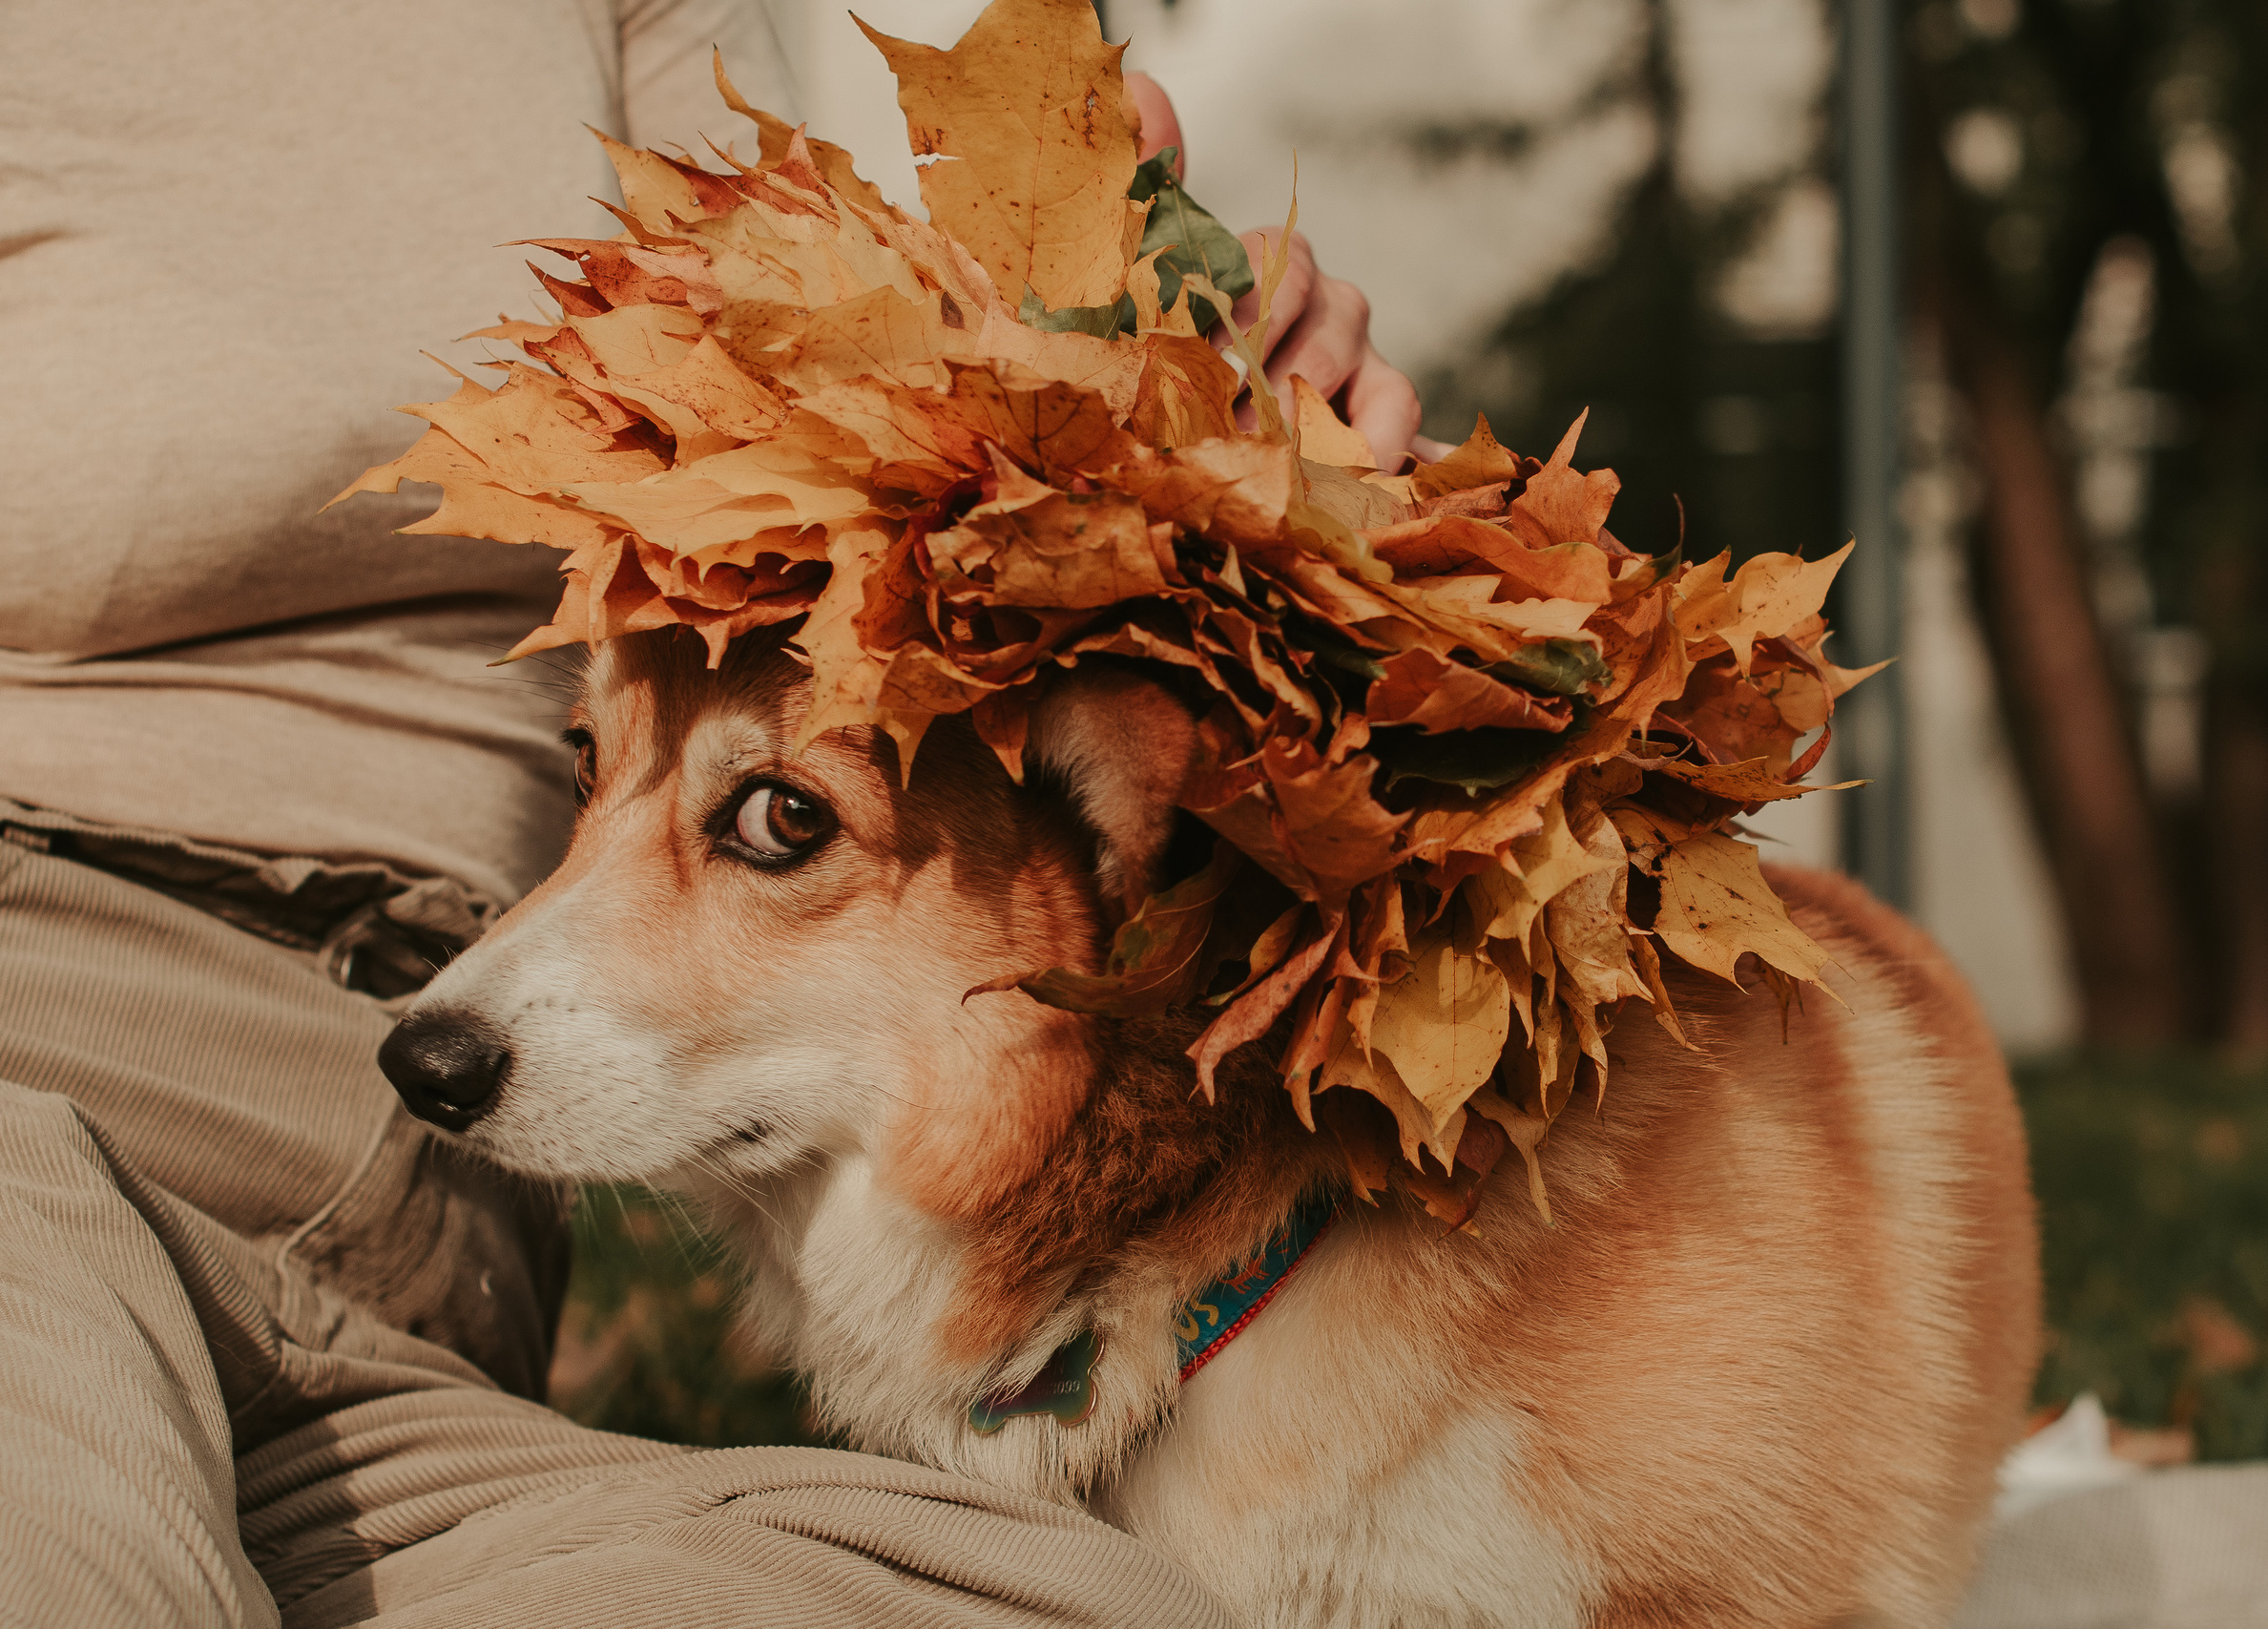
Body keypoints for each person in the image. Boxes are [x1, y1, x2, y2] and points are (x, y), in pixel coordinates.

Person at [0, 2, 1423, 1622]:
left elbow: (822, 431)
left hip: (390, 1262)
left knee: (1089, 1600)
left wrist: (1192, 438)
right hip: (44, 1004)